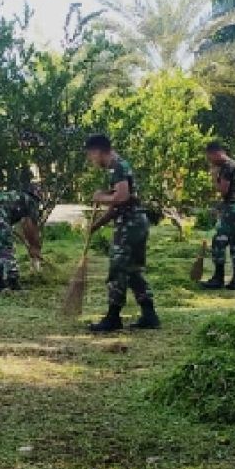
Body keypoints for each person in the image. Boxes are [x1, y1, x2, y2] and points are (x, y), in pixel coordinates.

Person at [85, 134, 160, 332]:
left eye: (91, 156)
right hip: (136, 222)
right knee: (134, 270)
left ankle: (113, 316)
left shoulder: (117, 166)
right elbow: (119, 204)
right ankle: (149, 314)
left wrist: (100, 197)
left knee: (117, 269)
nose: (92, 161)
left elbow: (121, 196)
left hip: (129, 225)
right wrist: (97, 224)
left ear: (97, 151)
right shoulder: (119, 166)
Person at [0, 182, 43, 292]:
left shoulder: (16, 197)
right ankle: (13, 282)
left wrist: (27, 242)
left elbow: (20, 226)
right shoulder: (30, 201)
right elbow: (30, 226)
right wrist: (34, 246)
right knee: (6, 247)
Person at [200, 141, 235, 291]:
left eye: (210, 157)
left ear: (215, 153)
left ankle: (218, 278)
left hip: (232, 209)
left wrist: (214, 177)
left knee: (219, 241)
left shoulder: (227, 166)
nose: (210, 161)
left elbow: (223, 190)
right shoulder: (232, 164)